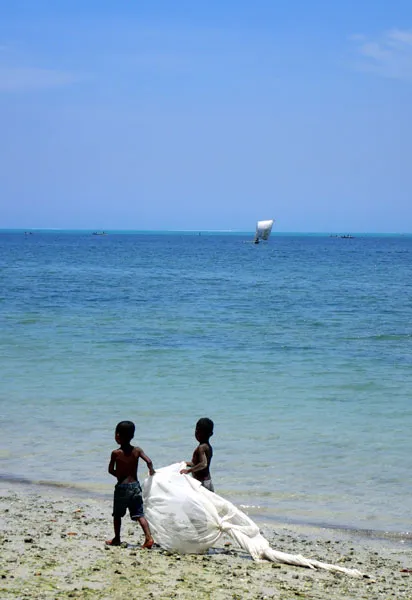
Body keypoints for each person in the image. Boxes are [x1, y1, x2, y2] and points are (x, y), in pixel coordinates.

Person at [106, 420, 155, 548]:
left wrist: (120, 476)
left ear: (117, 436)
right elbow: (149, 461)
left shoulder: (116, 453)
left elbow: (110, 470)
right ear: (132, 436)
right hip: (135, 486)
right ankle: (149, 538)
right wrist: (151, 471)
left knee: (117, 515)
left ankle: (117, 538)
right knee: (139, 514)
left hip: (122, 487)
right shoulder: (137, 450)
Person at [180, 418, 214, 492]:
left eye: (198, 431)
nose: (196, 433)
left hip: (202, 483)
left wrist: (188, 471)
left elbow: (203, 464)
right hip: (207, 481)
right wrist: (184, 463)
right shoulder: (207, 446)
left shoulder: (201, 447)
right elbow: (196, 464)